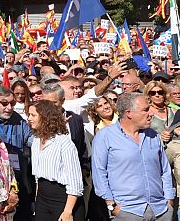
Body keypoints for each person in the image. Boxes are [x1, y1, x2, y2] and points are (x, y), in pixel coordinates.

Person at [92, 91, 176, 221]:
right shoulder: (105, 137)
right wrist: (111, 205)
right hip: (127, 211)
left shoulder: (153, 136)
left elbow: (164, 170)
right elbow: (99, 172)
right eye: (145, 110)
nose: (151, 113)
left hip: (161, 210)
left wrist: (169, 200)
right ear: (129, 113)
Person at [27, 101, 84, 221]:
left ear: (45, 117)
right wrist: (38, 202)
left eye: (33, 115)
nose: (29, 118)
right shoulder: (36, 141)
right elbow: (38, 178)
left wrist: (68, 211)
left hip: (63, 198)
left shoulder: (64, 142)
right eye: (29, 115)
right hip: (42, 198)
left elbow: (75, 180)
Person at [0, 86, 33, 221]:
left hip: (17, 179)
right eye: (4, 103)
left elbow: (30, 139)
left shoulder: (18, 119)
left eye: (12, 103)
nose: (9, 108)